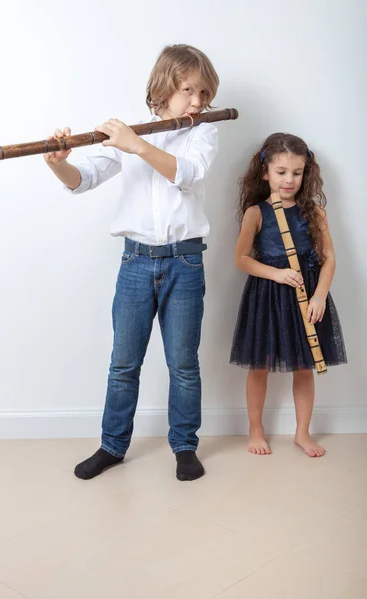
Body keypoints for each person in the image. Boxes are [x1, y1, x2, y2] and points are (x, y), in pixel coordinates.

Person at [44, 44, 220, 480]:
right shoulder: (126, 131)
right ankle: (112, 446)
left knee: (183, 363)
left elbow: (187, 173)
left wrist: (136, 144)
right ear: (163, 87)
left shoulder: (203, 132)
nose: (197, 102)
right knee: (124, 363)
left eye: (204, 93)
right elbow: (83, 180)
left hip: (185, 263)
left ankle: (184, 445)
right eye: (188, 91)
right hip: (135, 265)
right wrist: (57, 163)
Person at [230, 133, 347, 457]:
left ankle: (302, 433)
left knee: (304, 366)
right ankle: (256, 429)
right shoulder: (257, 212)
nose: (289, 179)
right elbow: (241, 258)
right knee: (259, 367)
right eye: (281, 172)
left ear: (306, 172)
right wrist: (278, 273)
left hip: (307, 297)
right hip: (268, 296)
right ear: (265, 172)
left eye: (297, 172)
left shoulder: (316, 212)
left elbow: (330, 258)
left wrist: (320, 295)